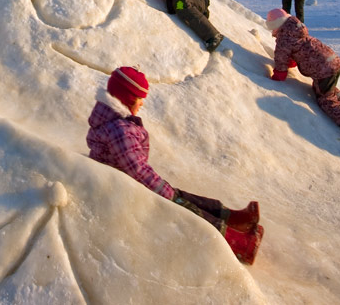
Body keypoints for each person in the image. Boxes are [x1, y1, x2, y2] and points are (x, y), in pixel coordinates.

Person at [86, 67, 263, 264]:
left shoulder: (114, 121)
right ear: (126, 100)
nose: (142, 103)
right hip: (125, 191)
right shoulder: (119, 130)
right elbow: (137, 171)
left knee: (181, 196)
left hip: (126, 183)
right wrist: (166, 194)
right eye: (139, 99)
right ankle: (236, 243)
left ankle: (231, 218)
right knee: (183, 208)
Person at [265, 10, 340, 147]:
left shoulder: (284, 39)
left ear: (275, 25)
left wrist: (277, 77)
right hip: (331, 63)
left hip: (323, 70)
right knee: (325, 88)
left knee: (326, 100)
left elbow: (281, 61)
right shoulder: (297, 30)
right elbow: (298, 52)